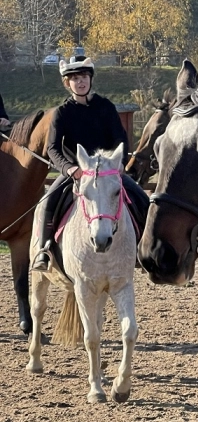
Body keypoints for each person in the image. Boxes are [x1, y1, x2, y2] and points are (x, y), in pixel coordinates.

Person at [31, 56, 149, 271]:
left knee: (142, 198)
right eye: (75, 78)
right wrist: (69, 168)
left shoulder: (105, 107)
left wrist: (120, 162)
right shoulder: (62, 113)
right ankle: (44, 250)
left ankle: (145, 249)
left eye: (84, 76)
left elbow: (120, 138)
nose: (81, 81)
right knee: (49, 200)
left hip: (108, 171)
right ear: (68, 83)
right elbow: (53, 148)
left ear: (90, 79)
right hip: (77, 171)